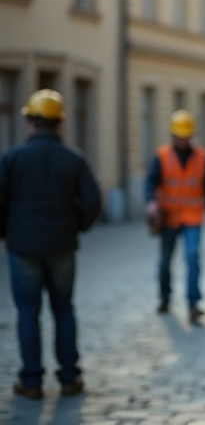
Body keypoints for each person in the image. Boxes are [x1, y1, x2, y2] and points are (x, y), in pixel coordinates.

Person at [0, 89, 102, 400]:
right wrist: (77, 226)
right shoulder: (73, 158)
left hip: (24, 247)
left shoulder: (12, 158)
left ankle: (31, 382)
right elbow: (92, 201)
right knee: (63, 310)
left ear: (31, 121)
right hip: (61, 245)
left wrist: (8, 232)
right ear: (59, 123)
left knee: (28, 313)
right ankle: (70, 378)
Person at [146, 109, 205, 323]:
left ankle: (193, 304)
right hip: (169, 217)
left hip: (193, 217)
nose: (182, 141)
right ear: (173, 135)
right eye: (179, 137)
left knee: (193, 258)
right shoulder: (162, 156)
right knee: (165, 261)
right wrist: (151, 203)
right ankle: (165, 297)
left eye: (185, 137)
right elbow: (151, 181)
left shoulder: (202, 157)